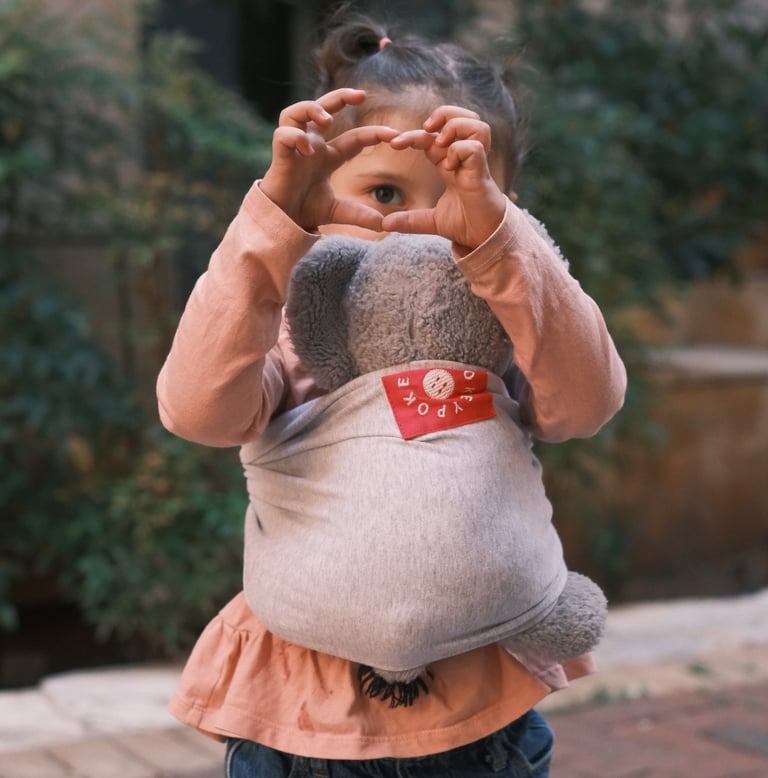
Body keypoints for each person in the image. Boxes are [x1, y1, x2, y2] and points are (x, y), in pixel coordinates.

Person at [157, 12, 627, 778]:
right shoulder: (289, 336)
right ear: (319, 193)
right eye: (384, 191)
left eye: (460, 202)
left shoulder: (509, 332)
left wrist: (507, 252)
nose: (420, 229)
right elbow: (195, 411)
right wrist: (269, 227)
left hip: (483, 726)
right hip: (303, 726)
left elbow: (588, 403)